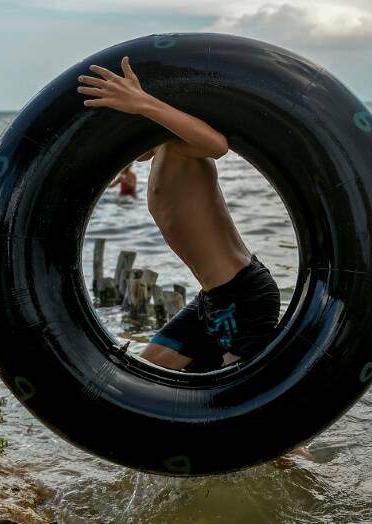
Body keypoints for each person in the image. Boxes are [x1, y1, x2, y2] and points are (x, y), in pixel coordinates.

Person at [78, 57, 280, 372]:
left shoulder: (179, 146)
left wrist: (142, 102)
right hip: (212, 299)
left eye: (131, 117)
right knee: (145, 372)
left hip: (241, 296)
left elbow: (217, 145)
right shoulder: (161, 151)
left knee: (238, 402)